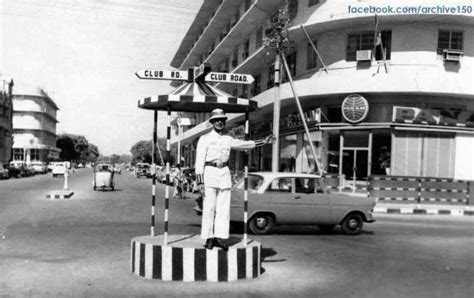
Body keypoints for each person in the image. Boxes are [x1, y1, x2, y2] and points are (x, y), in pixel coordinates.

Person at [195, 108, 273, 250]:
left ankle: (220, 237)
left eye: (222, 120)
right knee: (209, 207)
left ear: (225, 122)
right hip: (209, 173)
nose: (219, 122)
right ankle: (208, 237)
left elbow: (244, 145)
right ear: (212, 122)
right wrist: (199, 182)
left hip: (224, 174)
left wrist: (263, 142)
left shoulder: (228, 139)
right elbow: (199, 161)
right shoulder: (205, 139)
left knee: (224, 209)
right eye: (216, 120)